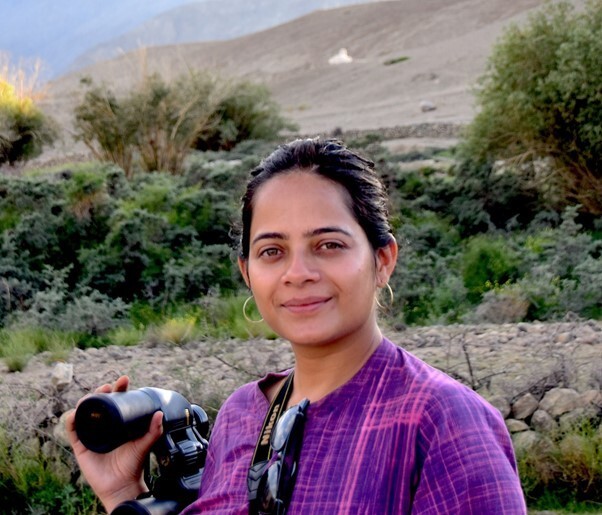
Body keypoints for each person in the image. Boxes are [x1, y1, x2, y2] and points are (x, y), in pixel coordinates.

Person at [67, 138, 527, 514]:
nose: (298, 273)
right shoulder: (241, 415)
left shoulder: (443, 422)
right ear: (248, 273)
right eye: (272, 251)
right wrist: (122, 494)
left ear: (383, 260)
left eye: (328, 245)